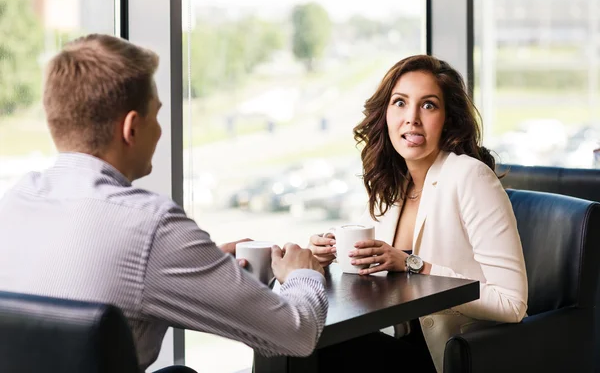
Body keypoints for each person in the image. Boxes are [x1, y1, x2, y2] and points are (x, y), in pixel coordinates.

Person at [0, 34, 328, 373]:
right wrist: (303, 274)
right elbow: (297, 333)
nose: (159, 131)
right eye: (156, 115)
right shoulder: (150, 225)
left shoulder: (15, 201)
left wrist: (196, 259)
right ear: (131, 128)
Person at [309, 55, 528, 372]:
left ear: (448, 118)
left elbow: (512, 304)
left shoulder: (471, 178)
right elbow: (375, 270)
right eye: (400, 102)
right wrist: (330, 252)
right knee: (302, 337)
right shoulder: (392, 184)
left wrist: (415, 265)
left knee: (308, 345)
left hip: (443, 354)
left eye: (428, 105)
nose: (411, 118)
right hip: (392, 341)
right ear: (385, 113)